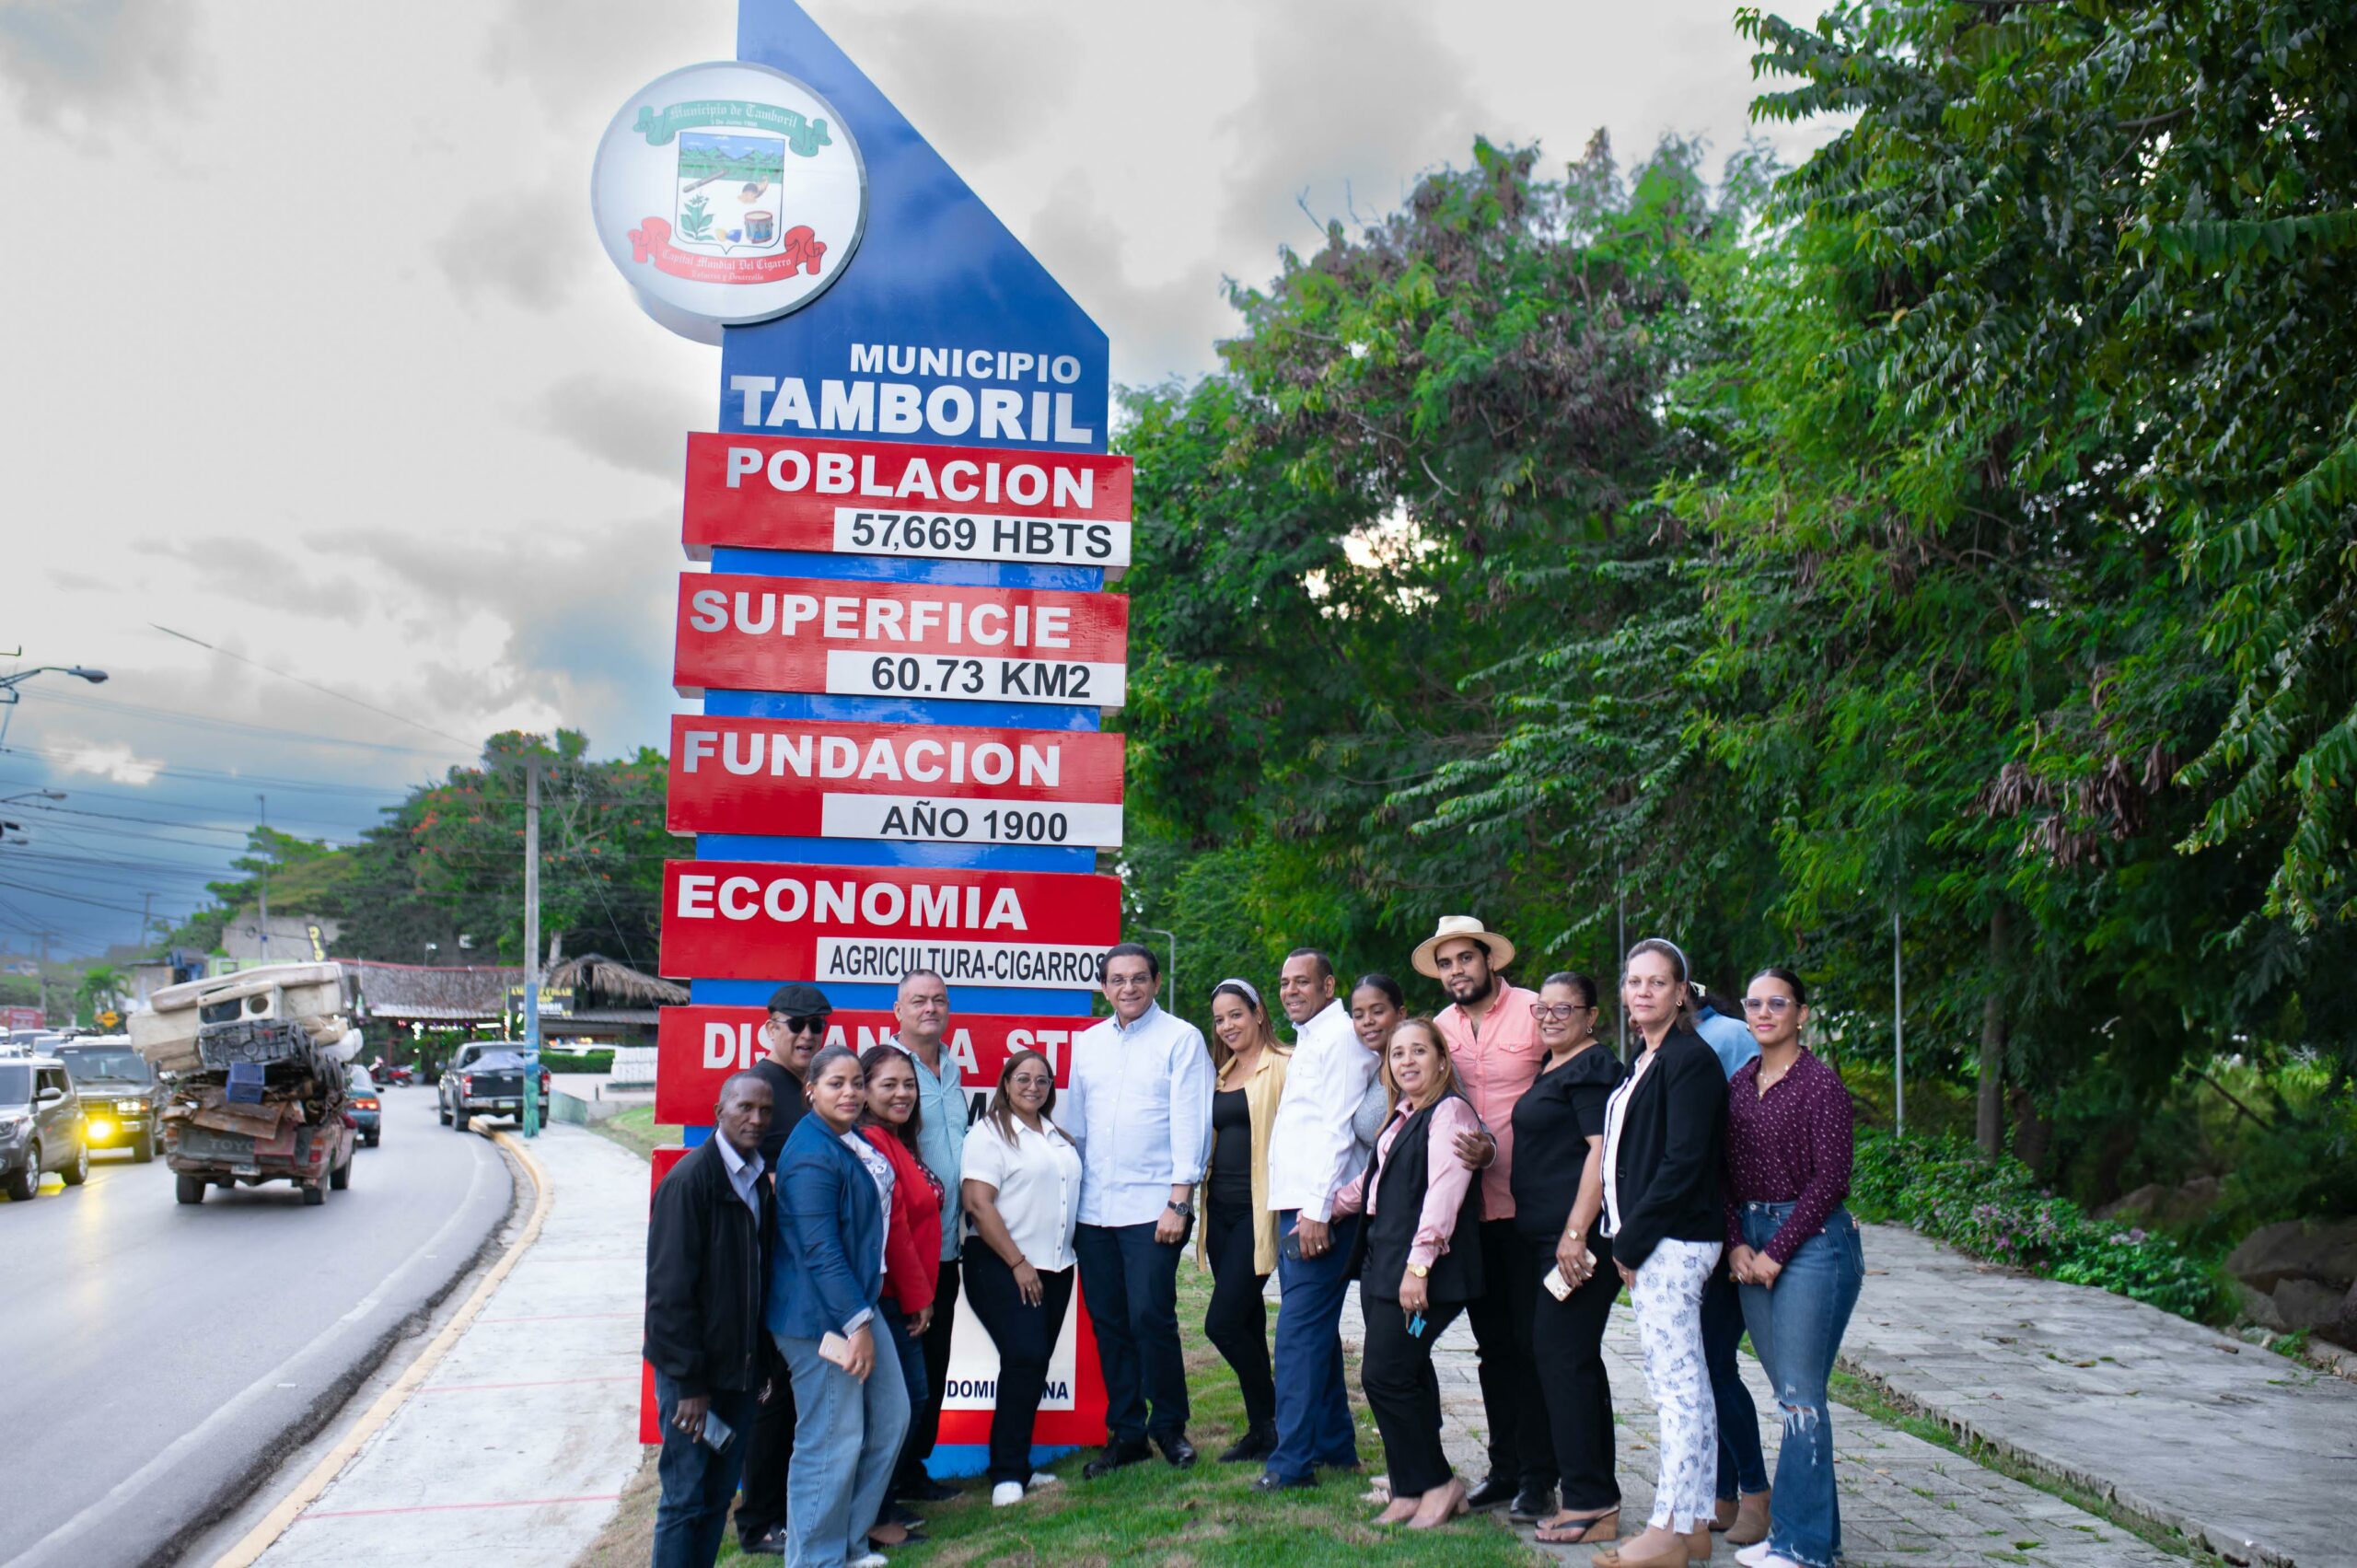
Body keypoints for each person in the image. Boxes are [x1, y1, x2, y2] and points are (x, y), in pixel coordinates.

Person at [1592, 939, 1730, 1568]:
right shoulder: (1645, 1059)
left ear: (1681, 993)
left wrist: (1630, 1240)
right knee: (1685, 1384)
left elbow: (1683, 1162)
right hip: (1654, 1239)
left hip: (1673, 1241)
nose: (1643, 991)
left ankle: (1668, 1529)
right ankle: (1694, 1524)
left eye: (1657, 982)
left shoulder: (1689, 1060)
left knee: (1676, 1390)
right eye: (1634, 981)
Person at [1414, 914, 1555, 1521]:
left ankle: (1540, 1477)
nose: (1456, 972)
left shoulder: (1534, 1010)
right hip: (1474, 1212)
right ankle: (1504, 1468)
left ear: (1489, 959)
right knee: (1492, 1347)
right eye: (1446, 964)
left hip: (1534, 1207)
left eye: (1465, 959)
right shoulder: (1440, 1029)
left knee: (1534, 1346)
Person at [1725, 968, 1861, 1568]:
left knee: (1802, 1397)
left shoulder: (1820, 1085)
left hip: (1813, 1242)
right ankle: (1817, 1539)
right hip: (1750, 1238)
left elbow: (1831, 1179)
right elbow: (1721, 1174)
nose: (1763, 1012)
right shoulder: (1739, 1083)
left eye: (1777, 1003)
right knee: (1791, 1397)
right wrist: (1736, 1244)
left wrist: (1777, 1250)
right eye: (1754, 1003)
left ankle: (1799, 1546)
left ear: (1801, 1014)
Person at [1064, 942, 1214, 1474]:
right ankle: (1127, 1433)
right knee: (1109, 1323)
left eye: (1138, 978)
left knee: (1151, 1316)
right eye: (1117, 979)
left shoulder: (1181, 1039)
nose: (1128, 987)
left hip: (1154, 1206)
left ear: (1155, 982)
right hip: (1093, 1210)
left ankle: (1169, 1427)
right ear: (1104, 987)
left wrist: (1180, 1200)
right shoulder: (1087, 1043)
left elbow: (1192, 1122)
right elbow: (1077, 1128)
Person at [1333, 1018, 1485, 1529]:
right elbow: (1370, 1184)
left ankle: (1438, 1484)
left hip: (1424, 1270)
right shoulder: (1402, 1116)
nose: (1407, 1061)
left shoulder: (1451, 1113)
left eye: (1419, 1051)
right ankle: (1407, 1487)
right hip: (1384, 1262)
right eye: (1398, 1054)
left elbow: (1444, 1194)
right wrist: (1322, 1208)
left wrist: (1418, 1267)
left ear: (1442, 1060)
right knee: (1402, 1374)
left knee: (1387, 1374)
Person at [768, 1046, 909, 1568]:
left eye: (856, 1083)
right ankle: (815, 1559)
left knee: (891, 1417)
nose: (849, 1092)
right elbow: (820, 1249)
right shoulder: (810, 1154)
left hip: (857, 1306)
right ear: (810, 1090)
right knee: (831, 1438)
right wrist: (857, 1324)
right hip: (819, 1321)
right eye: (836, 1084)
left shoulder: (847, 1138)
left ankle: (848, 1543)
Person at [1511, 972, 1626, 1547]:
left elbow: (1602, 1154)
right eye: (1543, 1009)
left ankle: (1590, 1500)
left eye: (1565, 1009)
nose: (1551, 1018)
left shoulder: (1593, 1067)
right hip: (1544, 1241)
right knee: (1569, 1359)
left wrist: (1576, 1232)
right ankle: (1592, 1492)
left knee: (1563, 1358)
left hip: (1577, 1243)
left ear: (1591, 1016)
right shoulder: (1553, 1066)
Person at [1257, 948, 1376, 1493]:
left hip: (1319, 1210)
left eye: (1302, 982)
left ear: (1329, 986)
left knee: (1298, 1338)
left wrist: (1316, 1209)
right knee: (1316, 1337)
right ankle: (1335, 1448)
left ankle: (1291, 1465)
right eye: (1285, 983)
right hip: (1299, 1205)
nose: (1290, 992)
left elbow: (1338, 1128)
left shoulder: (1342, 1038)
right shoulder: (1311, 1037)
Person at [644, 1072, 775, 1568]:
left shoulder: (757, 1180)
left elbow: (755, 1279)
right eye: (745, 1108)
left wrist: (761, 1365)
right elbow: (668, 1296)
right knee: (684, 1499)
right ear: (719, 1112)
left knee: (718, 1497)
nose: (756, 1119)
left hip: (738, 1375)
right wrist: (689, 1386)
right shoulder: (688, 1182)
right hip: (694, 1381)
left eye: (765, 1110)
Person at [960, 1049, 1084, 1506]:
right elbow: (978, 1204)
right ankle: (1007, 1474)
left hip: (1057, 1267)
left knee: (1033, 1365)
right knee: (1025, 1357)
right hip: (1002, 1264)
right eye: (1023, 1078)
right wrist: (1017, 1263)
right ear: (1006, 1083)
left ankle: (1019, 1465)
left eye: (1042, 1080)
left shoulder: (1056, 1136)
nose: (1033, 1086)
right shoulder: (989, 1133)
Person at [735, 982, 831, 1555]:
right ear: (770, 1026)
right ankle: (757, 1522)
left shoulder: (809, 1088)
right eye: (796, 1024)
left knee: (796, 1400)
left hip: (805, 1269)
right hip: (766, 1270)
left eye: (818, 1024)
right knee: (771, 1401)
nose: (808, 1034)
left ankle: (787, 1512)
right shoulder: (759, 1089)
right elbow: (740, 1178)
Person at [1689, 980, 1771, 1545]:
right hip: (1702, 1224)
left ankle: (1755, 1490)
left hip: (1743, 1226)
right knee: (1706, 1361)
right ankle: (1722, 1492)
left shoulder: (1727, 1036)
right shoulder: (1663, 1044)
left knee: (1718, 1361)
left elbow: (1743, 1134)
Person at [1195, 978, 1291, 1461]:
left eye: (1236, 1014)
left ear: (1258, 1013)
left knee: (1222, 1323)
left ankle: (1279, 1419)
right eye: (1219, 1019)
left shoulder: (1287, 1065)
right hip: (1220, 1212)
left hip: (1259, 1210)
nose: (1228, 1025)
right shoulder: (1220, 1074)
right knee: (1248, 1321)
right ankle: (1263, 1430)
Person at [856, 1045, 943, 1545]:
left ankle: (883, 1503)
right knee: (898, 1407)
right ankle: (874, 1515)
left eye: (908, 1084)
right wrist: (917, 1297)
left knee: (907, 1403)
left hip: (905, 1295)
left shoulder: (897, 1139)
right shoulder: (873, 1142)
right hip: (890, 1298)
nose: (902, 1093)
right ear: (865, 1090)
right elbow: (895, 1232)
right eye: (888, 1084)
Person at [887, 970, 965, 1505]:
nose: (930, 1009)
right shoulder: (886, 1069)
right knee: (904, 1378)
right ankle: (888, 1481)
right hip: (906, 1250)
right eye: (918, 1001)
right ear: (898, 1010)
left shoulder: (952, 1067)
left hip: (949, 1247)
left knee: (936, 1366)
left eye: (938, 999)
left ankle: (914, 1471)